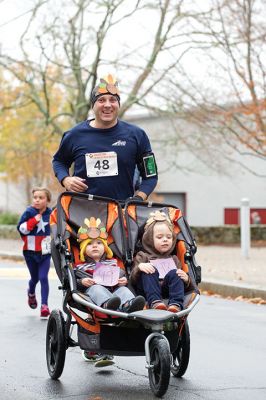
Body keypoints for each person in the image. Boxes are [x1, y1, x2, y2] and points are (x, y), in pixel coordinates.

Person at [52, 73, 158, 202]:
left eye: (113, 100)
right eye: (101, 100)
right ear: (93, 105)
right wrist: (65, 179)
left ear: (118, 105)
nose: (107, 105)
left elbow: (151, 175)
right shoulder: (74, 135)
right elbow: (59, 161)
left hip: (121, 212)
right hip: (82, 211)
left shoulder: (137, 135)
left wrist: (138, 198)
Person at [75, 217, 145, 366]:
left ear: (105, 247)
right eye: (90, 244)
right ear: (83, 249)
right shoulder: (80, 267)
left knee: (124, 290)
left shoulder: (112, 263)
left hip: (115, 292)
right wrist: (82, 282)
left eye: (99, 243)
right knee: (96, 288)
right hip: (94, 295)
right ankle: (108, 304)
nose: (95, 246)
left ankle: (130, 305)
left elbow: (121, 275)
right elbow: (74, 282)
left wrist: (123, 279)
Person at [131, 210, 191, 313]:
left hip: (167, 288)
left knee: (176, 273)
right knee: (149, 270)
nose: (165, 240)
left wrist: (186, 279)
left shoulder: (174, 258)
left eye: (169, 237)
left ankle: (176, 304)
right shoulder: (142, 255)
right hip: (147, 289)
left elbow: (179, 283)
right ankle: (155, 302)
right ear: (149, 239)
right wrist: (139, 267)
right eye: (159, 237)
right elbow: (132, 279)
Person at [17, 187, 52, 318]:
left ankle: (44, 305)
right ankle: (31, 292)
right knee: (35, 278)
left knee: (43, 277)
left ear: (47, 200)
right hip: (30, 252)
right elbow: (21, 229)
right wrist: (33, 221)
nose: (37, 200)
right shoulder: (29, 212)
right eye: (35, 197)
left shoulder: (51, 213)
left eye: (40, 198)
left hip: (45, 252)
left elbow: (57, 227)